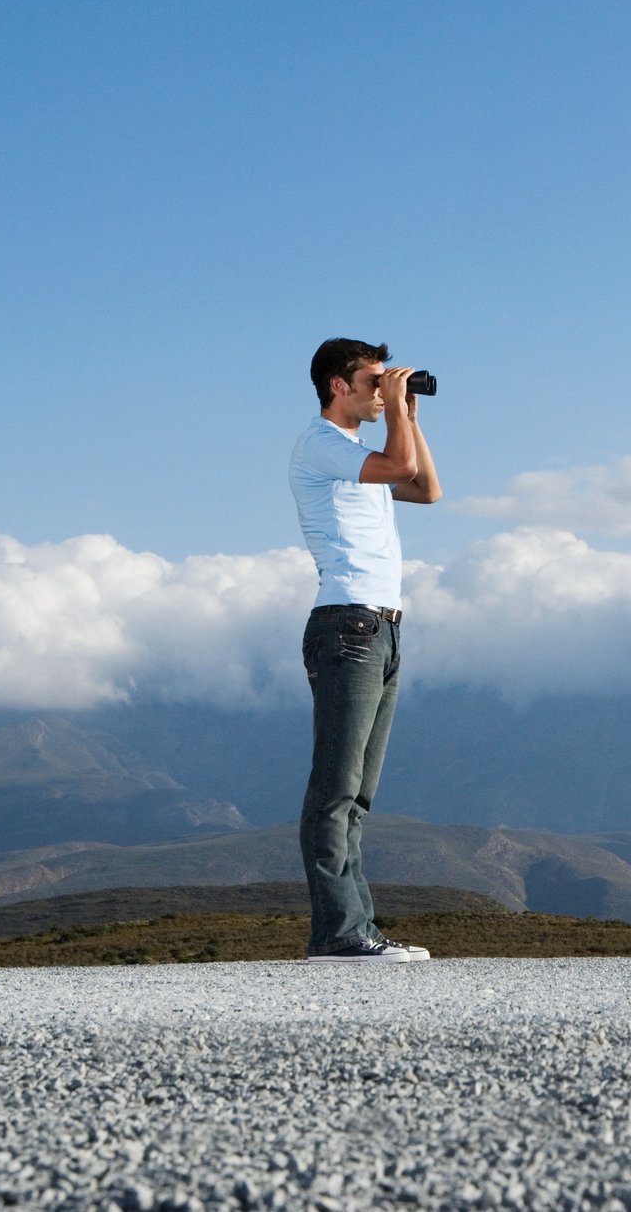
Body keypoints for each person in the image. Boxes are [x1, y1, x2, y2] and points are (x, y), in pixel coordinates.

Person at [288, 337, 442, 963]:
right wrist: (398, 414)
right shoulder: (320, 444)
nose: (382, 390)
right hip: (347, 625)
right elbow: (400, 469)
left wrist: (410, 415)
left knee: (358, 793)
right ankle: (338, 933)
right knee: (334, 788)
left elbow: (427, 488)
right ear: (337, 386)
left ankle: (358, 930)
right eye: (372, 380)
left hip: (381, 628)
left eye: (388, 381)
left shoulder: (360, 458)